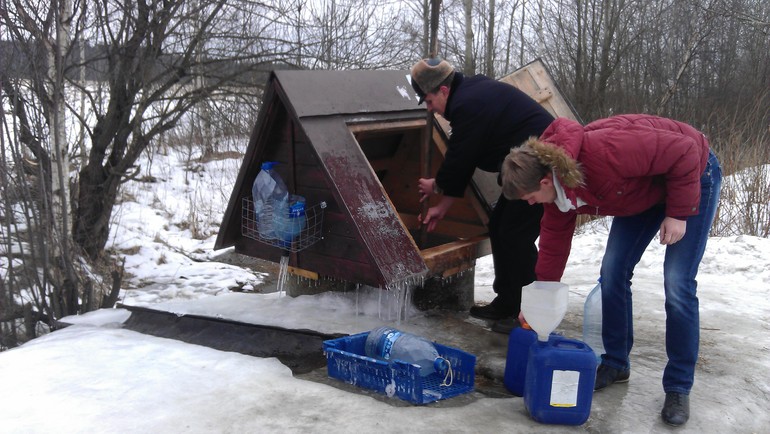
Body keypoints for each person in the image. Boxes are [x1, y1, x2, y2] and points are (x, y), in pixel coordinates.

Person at [500, 114, 722, 426]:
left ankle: (678, 386)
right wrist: (540, 301)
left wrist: (679, 213)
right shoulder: (558, 194)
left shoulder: (605, 152)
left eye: (530, 197)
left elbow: (684, 150)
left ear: (545, 182)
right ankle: (617, 362)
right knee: (613, 271)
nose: (532, 204)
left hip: (693, 175)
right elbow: (552, 247)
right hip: (642, 191)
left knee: (678, 284)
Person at [409, 57, 555, 334]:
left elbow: (461, 157)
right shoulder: (471, 93)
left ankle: (528, 311)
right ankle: (507, 301)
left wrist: (438, 188)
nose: (432, 111)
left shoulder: (468, 104)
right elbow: (468, 156)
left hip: (540, 171)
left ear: (443, 90)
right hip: (527, 167)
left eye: (429, 102)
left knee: (515, 234)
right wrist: (443, 205)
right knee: (499, 226)